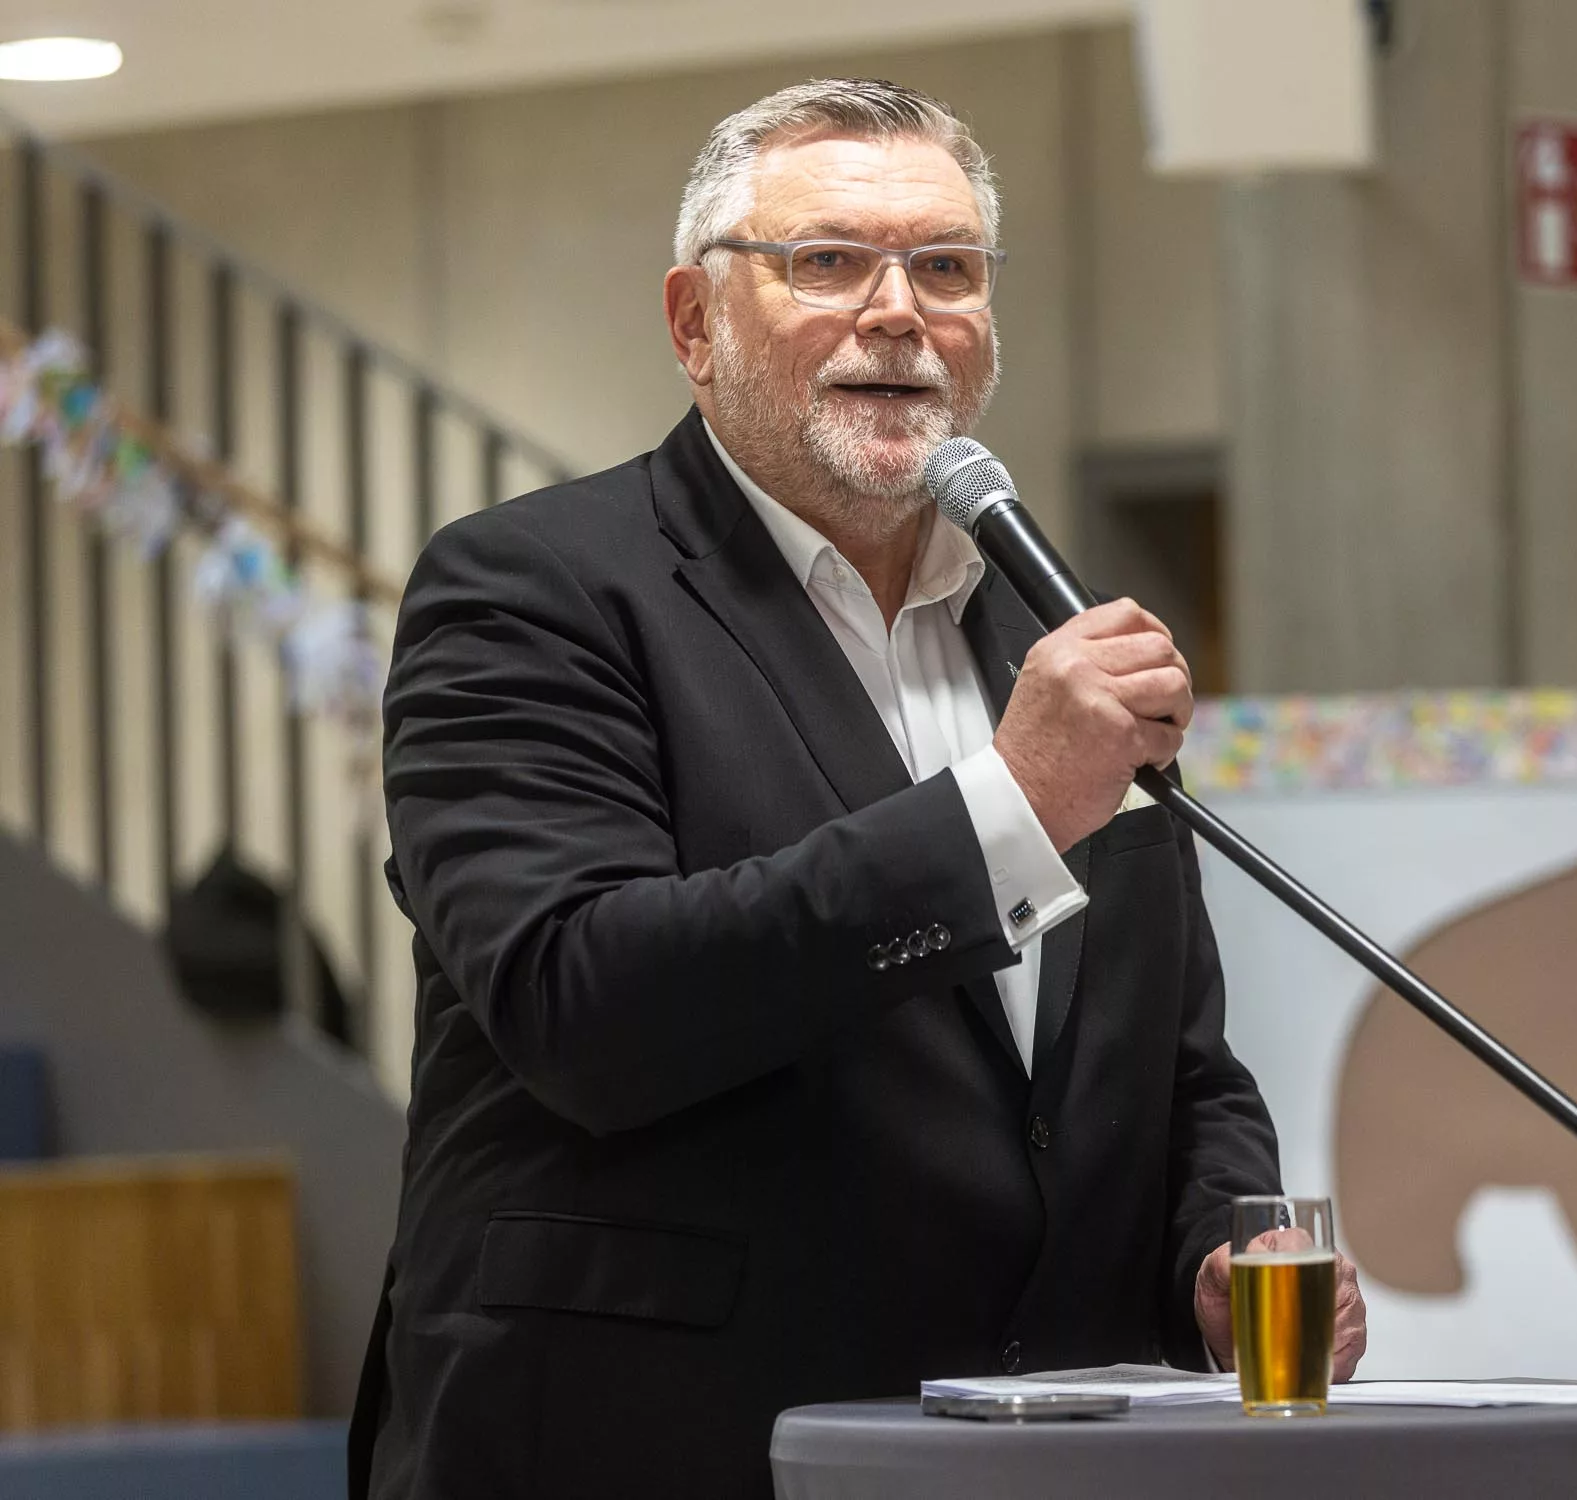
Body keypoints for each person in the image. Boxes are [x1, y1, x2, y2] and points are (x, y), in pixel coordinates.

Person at [348, 77, 1366, 1499]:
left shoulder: (1047, 630)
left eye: (946, 267)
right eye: (827, 261)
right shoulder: (534, 590)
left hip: (1038, 1455)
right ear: (696, 324)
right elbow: (582, 1002)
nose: (900, 309)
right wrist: (1011, 805)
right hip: (660, 1445)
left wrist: (1212, 1241)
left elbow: (1172, 1061)